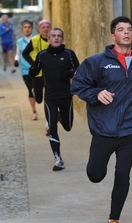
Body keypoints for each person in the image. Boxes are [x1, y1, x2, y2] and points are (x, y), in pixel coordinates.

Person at [71, 16, 132, 223]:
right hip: (104, 129)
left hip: (130, 130)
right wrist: (95, 93)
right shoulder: (97, 62)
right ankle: (95, 169)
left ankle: (114, 219)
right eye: (121, 30)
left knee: (123, 174)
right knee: (95, 174)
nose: (126, 33)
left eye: (129, 29)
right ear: (113, 36)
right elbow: (78, 84)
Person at [29, 27, 79, 171]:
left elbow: (80, 71)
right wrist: (32, 73)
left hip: (66, 97)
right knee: (52, 128)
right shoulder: (42, 55)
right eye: (53, 36)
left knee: (68, 127)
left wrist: (70, 73)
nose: (56, 38)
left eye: (59, 36)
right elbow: (35, 71)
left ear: (62, 39)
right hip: (50, 97)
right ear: (49, 39)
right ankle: (58, 159)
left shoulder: (69, 54)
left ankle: (59, 116)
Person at [23, 19, 51, 135]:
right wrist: (34, 64)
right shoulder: (34, 40)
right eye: (43, 27)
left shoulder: (53, 39)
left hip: (50, 74)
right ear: (39, 29)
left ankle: (49, 124)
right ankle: (35, 91)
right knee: (38, 99)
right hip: (38, 74)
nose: (45, 29)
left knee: (48, 99)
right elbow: (25, 53)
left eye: (47, 27)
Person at [14, 20, 38, 120]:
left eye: (29, 27)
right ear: (22, 29)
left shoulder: (37, 39)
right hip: (25, 69)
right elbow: (18, 53)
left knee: (37, 90)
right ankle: (34, 110)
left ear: (32, 28)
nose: (27, 29)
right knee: (30, 89)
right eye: (25, 27)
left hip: (37, 68)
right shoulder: (19, 41)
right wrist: (16, 60)